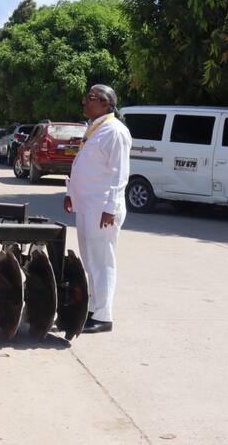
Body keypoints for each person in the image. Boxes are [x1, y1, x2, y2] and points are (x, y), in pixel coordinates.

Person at [64, 84, 131, 334]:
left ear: (106, 103)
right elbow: (84, 166)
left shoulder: (115, 132)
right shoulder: (94, 129)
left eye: (91, 98)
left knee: (102, 262)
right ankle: (94, 308)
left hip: (102, 208)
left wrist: (110, 208)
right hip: (87, 205)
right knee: (91, 261)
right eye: (86, 97)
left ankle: (104, 316)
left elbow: (119, 174)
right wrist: (71, 193)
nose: (85, 102)